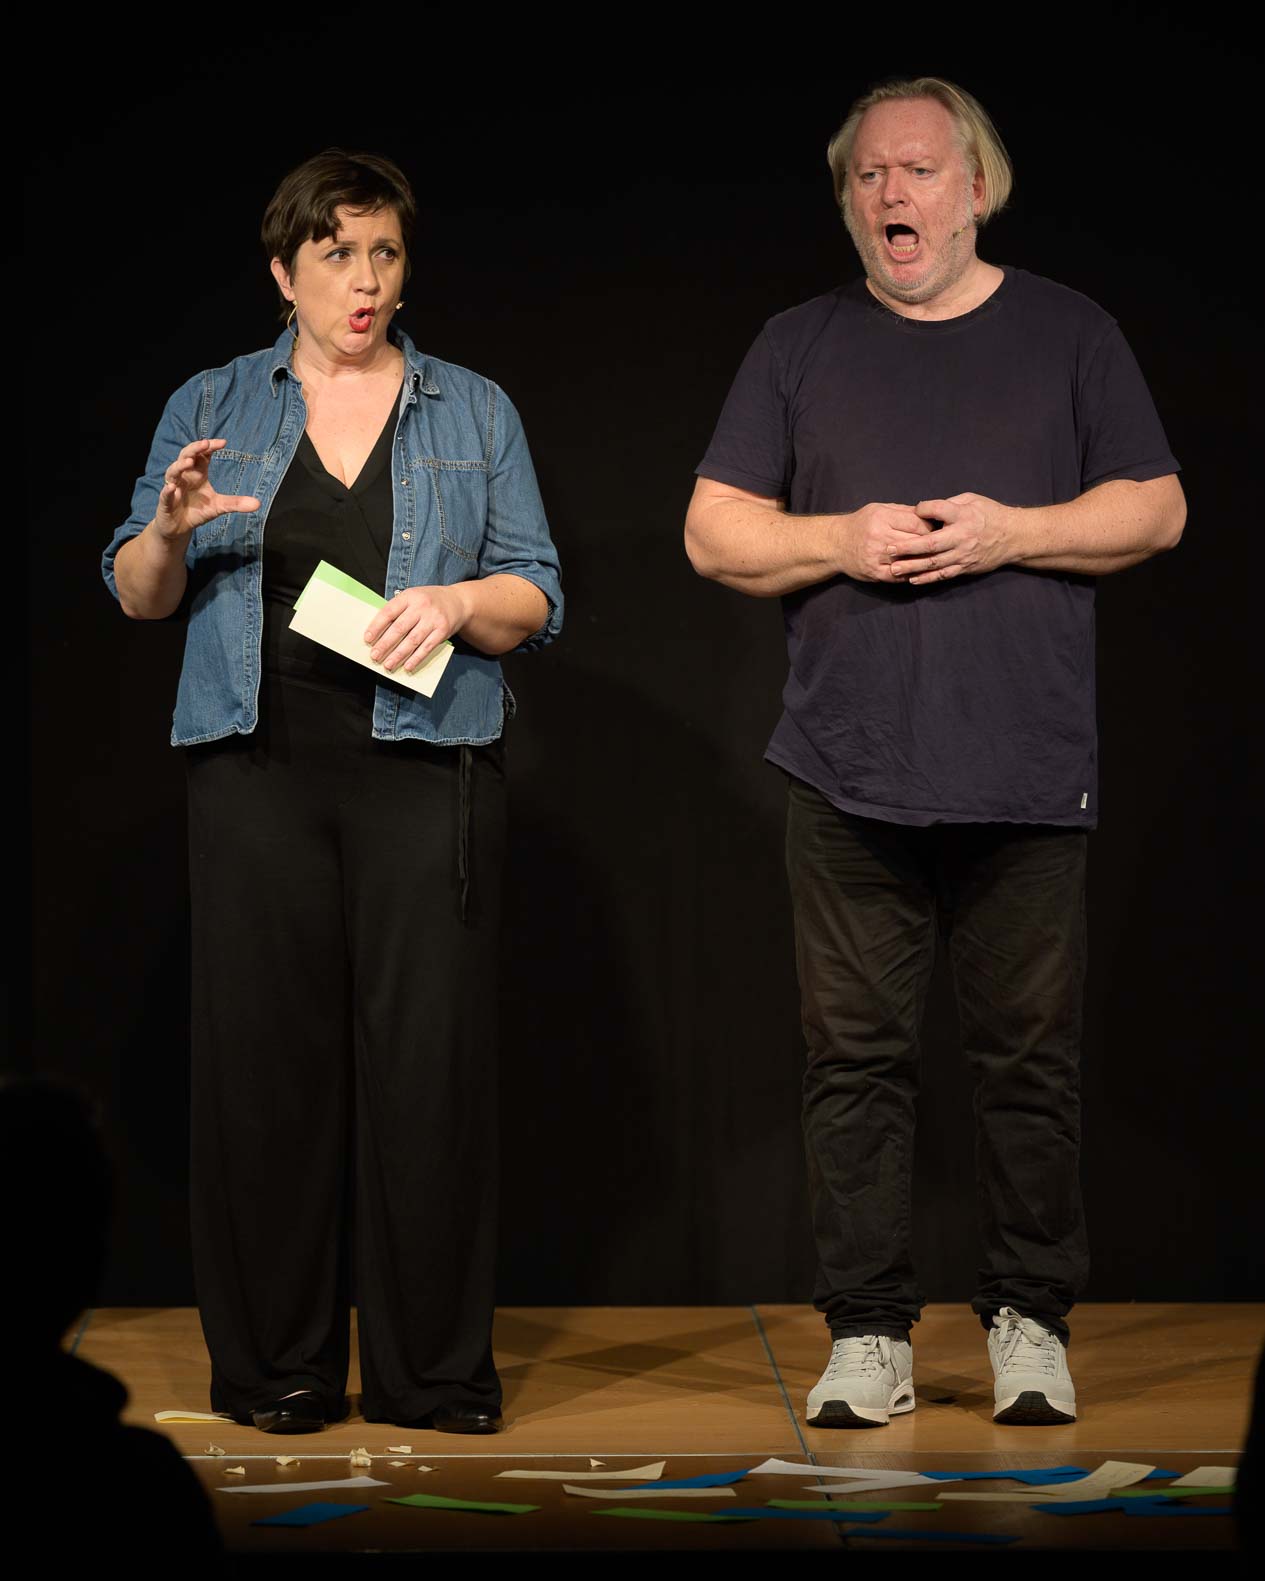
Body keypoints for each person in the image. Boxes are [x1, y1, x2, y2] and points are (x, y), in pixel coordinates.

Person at [685, 77, 1183, 1428]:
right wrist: (836, 539)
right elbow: (713, 530)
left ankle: (1028, 1318)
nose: (891, 195)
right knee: (851, 1059)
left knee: (1030, 1059)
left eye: (916, 172)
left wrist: (1010, 530)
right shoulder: (798, 342)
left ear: (978, 188)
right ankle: (867, 1332)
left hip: (1025, 774)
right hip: (846, 776)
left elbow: (1158, 506)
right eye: (867, 177)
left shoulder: (1070, 333)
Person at [103, 149, 562, 1436]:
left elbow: (536, 593)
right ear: (282, 272)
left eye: (385, 256)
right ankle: (277, 1368)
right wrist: (170, 531)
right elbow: (139, 594)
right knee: (266, 1072)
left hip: (425, 771)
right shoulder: (213, 401)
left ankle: (429, 1374)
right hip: (258, 772)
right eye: (335, 258)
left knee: (428, 1074)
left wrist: (461, 600)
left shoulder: (470, 409)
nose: (364, 285)